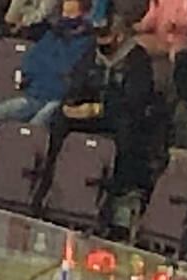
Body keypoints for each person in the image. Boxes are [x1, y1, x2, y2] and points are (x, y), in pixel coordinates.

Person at [57, 13, 160, 192]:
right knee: (59, 117)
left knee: (127, 127)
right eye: (98, 36)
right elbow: (78, 78)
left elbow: (135, 99)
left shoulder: (137, 58)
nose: (100, 41)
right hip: (92, 109)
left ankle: (120, 185)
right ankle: (57, 172)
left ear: (119, 36)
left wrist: (100, 108)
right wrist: (71, 103)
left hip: (121, 113)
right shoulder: (92, 53)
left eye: (105, 37)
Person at [0, 0, 97, 125]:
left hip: (58, 101)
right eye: (64, 12)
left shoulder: (88, 42)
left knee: (35, 127)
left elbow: (70, 72)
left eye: (71, 14)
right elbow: (31, 61)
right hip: (35, 95)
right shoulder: (52, 34)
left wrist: (49, 69)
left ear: (85, 15)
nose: (66, 17)